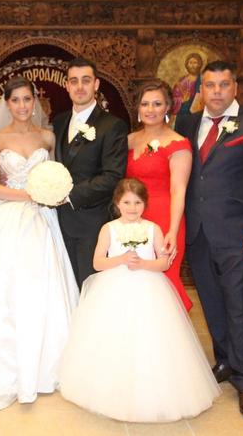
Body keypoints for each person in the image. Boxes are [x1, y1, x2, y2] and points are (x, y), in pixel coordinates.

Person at [0, 76, 79, 410]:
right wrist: (31, 194)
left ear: (34, 102)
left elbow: (60, 175)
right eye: (16, 100)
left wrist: (49, 194)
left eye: (27, 99)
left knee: (42, 291)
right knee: (2, 293)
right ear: (6, 104)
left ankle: (43, 369)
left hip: (41, 222)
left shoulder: (49, 137)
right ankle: (4, 371)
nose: (22, 106)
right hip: (7, 218)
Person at [59, 178, 220, 422]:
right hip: (113, 290)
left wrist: (145, 263)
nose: (132, 207)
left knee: (150, 339)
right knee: (115, 339)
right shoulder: (108, 229)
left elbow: (164, 262)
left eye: (137, 202)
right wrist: (122, 259)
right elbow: (97, 262)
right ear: (117, 203)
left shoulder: (153, 228)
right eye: (127, 202)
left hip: (149, 289)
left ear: (145, 204)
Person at [175, 60, 243, 418]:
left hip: (240, 234)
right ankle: (225, 362)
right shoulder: (187, 123)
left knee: (240, 307)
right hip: (198, 232)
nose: (216, 91)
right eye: (209, 85)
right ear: (200, 90)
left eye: (223, 84)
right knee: (212, 304)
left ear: (235, 87)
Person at [53, 57, 129, 288]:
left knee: (90, 289)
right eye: (73, 81)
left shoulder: (112, 125)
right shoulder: (58, 122)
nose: (79, 86)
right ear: (66, 85)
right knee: (65, 291)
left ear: (96, 84)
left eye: (85, 81)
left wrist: (69, 195)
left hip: (92, 223)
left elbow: (113, 177)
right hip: (57, 222)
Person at [126, 80, 193, 311]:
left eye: (157, 104)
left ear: (168, 108)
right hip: (132, 219)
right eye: (145, 104)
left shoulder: (177, 144)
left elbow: (178, 189)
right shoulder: (129, 140)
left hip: (164, 219)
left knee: (163, 282)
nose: (150, 109)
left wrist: (173, 231)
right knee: (134, 283)